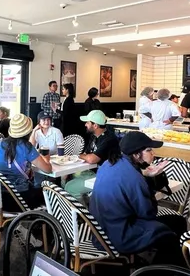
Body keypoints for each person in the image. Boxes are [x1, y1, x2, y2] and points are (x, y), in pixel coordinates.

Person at [89, 131, 187, 266]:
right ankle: (163, 270)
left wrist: (143, 174)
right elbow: (148, 214)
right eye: (149, 150)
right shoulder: (135, 179)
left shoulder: (109, 163)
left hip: (98, 232)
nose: (153, 154)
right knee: (169, 235)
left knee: (177, 221)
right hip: (119, 236)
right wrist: (149, 179)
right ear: (136, 154)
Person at [0, 113, 52, 211]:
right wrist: (46, 158)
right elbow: (47, 169)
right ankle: (42, 222)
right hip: (19, 199)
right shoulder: (27, 147)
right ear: (28, 132)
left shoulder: (1, 143)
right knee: (50, 194)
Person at [64, 110, 120, 200]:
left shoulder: (109, 139)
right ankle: (83, 203)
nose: (85, 124)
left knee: (70, 187)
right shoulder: (94, 136)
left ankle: (82, 213)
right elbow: (86, 154)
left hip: (104, 176)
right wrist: (84, 156)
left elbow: (91, 159)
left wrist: (80, 156)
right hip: (91, 171)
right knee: (65, 177)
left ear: (95, 125)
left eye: (87, 122)